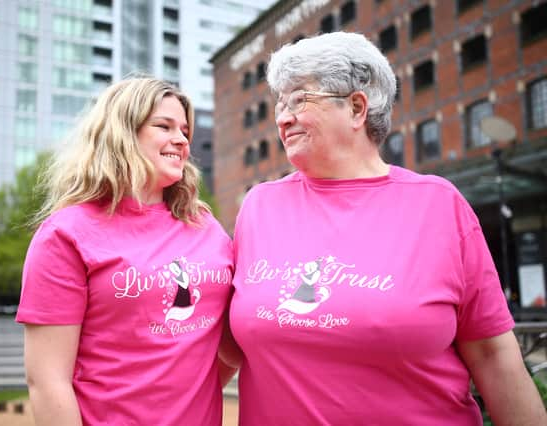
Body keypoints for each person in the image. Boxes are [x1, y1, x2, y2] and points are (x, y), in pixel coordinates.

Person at [223, 32, 547, 425]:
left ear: (357, 108)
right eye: (279, 103)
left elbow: (494, 356)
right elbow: (223, 342)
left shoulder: (438, 206)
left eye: (299, 100)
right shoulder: (259, 207)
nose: (282, 117)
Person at [16, 78, 233, 426]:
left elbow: (226, 347)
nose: (181, 139)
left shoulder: (206, 226)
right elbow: (47, 382)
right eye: (164, 126)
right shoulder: (65, 235)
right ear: (122, 134)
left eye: (185, 130)